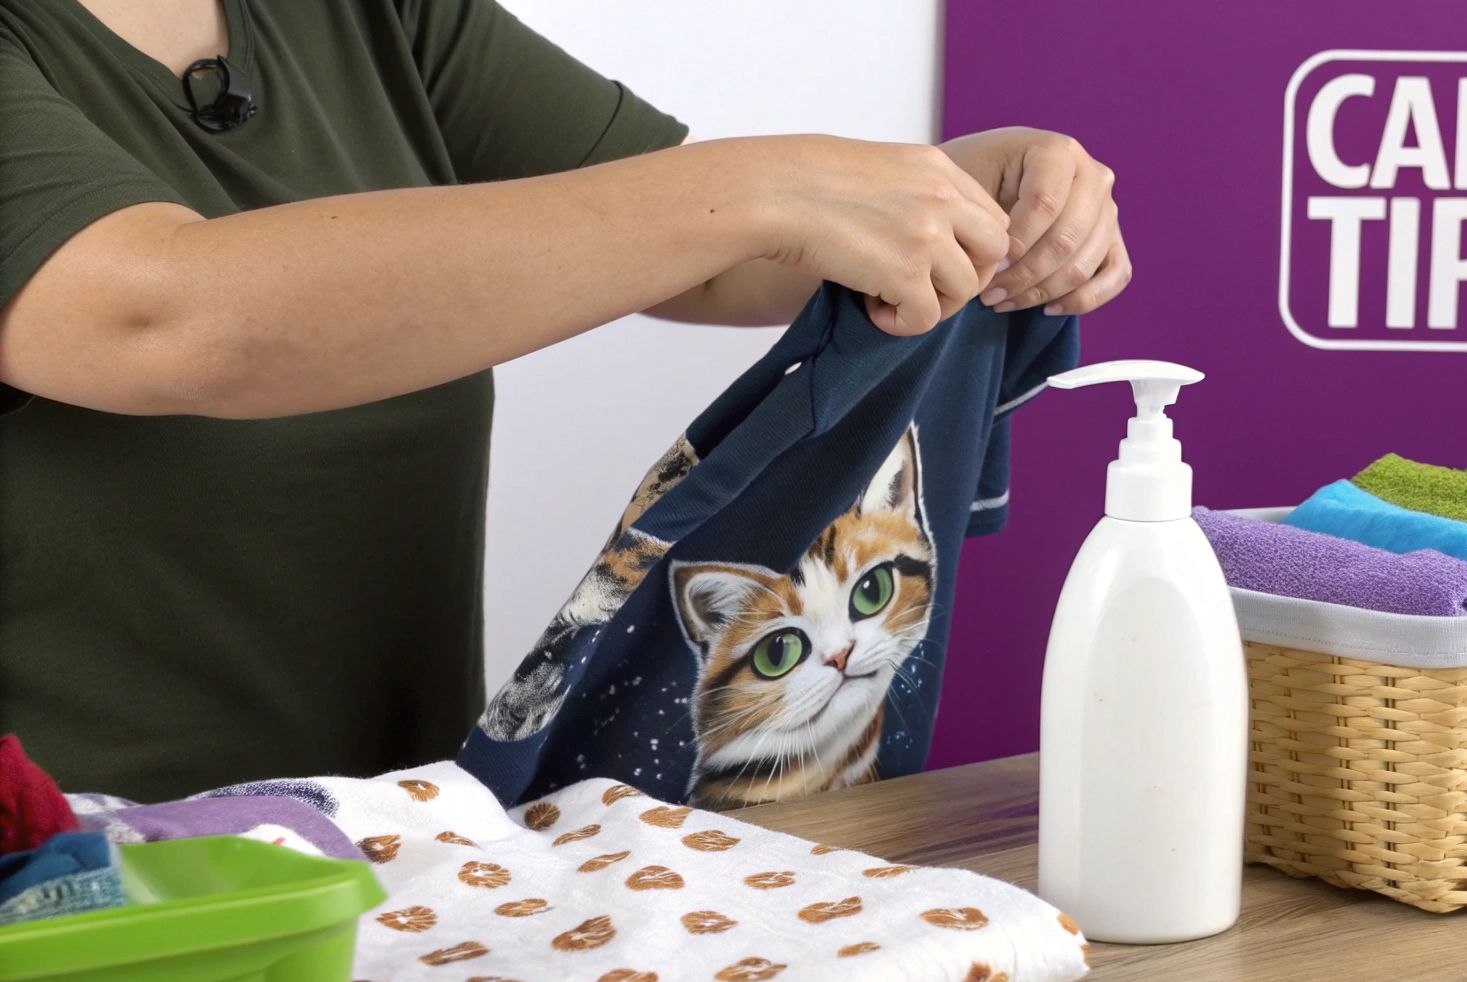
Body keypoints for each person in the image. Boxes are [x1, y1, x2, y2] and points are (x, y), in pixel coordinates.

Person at [0, 0, 1130, 801]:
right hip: (65, 894)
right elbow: (156, 316)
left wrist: (956, 192)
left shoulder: (368, 16)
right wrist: (760, 188)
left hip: (385, 868)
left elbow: (709, 255)